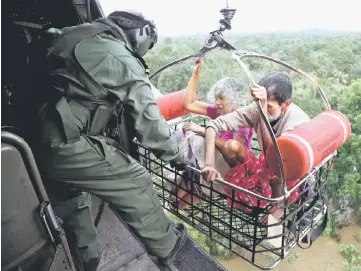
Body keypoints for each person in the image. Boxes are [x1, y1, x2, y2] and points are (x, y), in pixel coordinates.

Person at [37, 10, 188, 270]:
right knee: (136, 181)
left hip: (37, 134)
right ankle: (171, 250)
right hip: (65, 143)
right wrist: (177, 157)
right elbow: (150, 124)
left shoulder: (75, 34)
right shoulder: (119, 56)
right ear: (142, 34)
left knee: (73, 199)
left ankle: (87, 259)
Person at [201, 72, 310, 211]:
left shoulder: (296, 122)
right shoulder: (257, 108)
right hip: (266, 163)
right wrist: (209, 164)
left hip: (288, 172)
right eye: (259, 105)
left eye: (269, 106)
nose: (262, 109)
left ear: (286, 104)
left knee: (277, 178)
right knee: (231, 147)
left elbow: (276, 159)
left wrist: (263, 112)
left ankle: (277, 205)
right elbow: (213, 125)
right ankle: (247, 187)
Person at [168, 61, 253, 209]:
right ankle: (176, 201)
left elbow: (233, 153)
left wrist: (203, 132)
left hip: (228, 169)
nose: (217, 102)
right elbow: (189, 104)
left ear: (234, 99)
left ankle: (184, 193)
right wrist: (195, 75)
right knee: (179, 198)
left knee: (196, 142)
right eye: (216, 98)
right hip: (208, 166)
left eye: (222, 98)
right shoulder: (220, 111)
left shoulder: (242, 120)